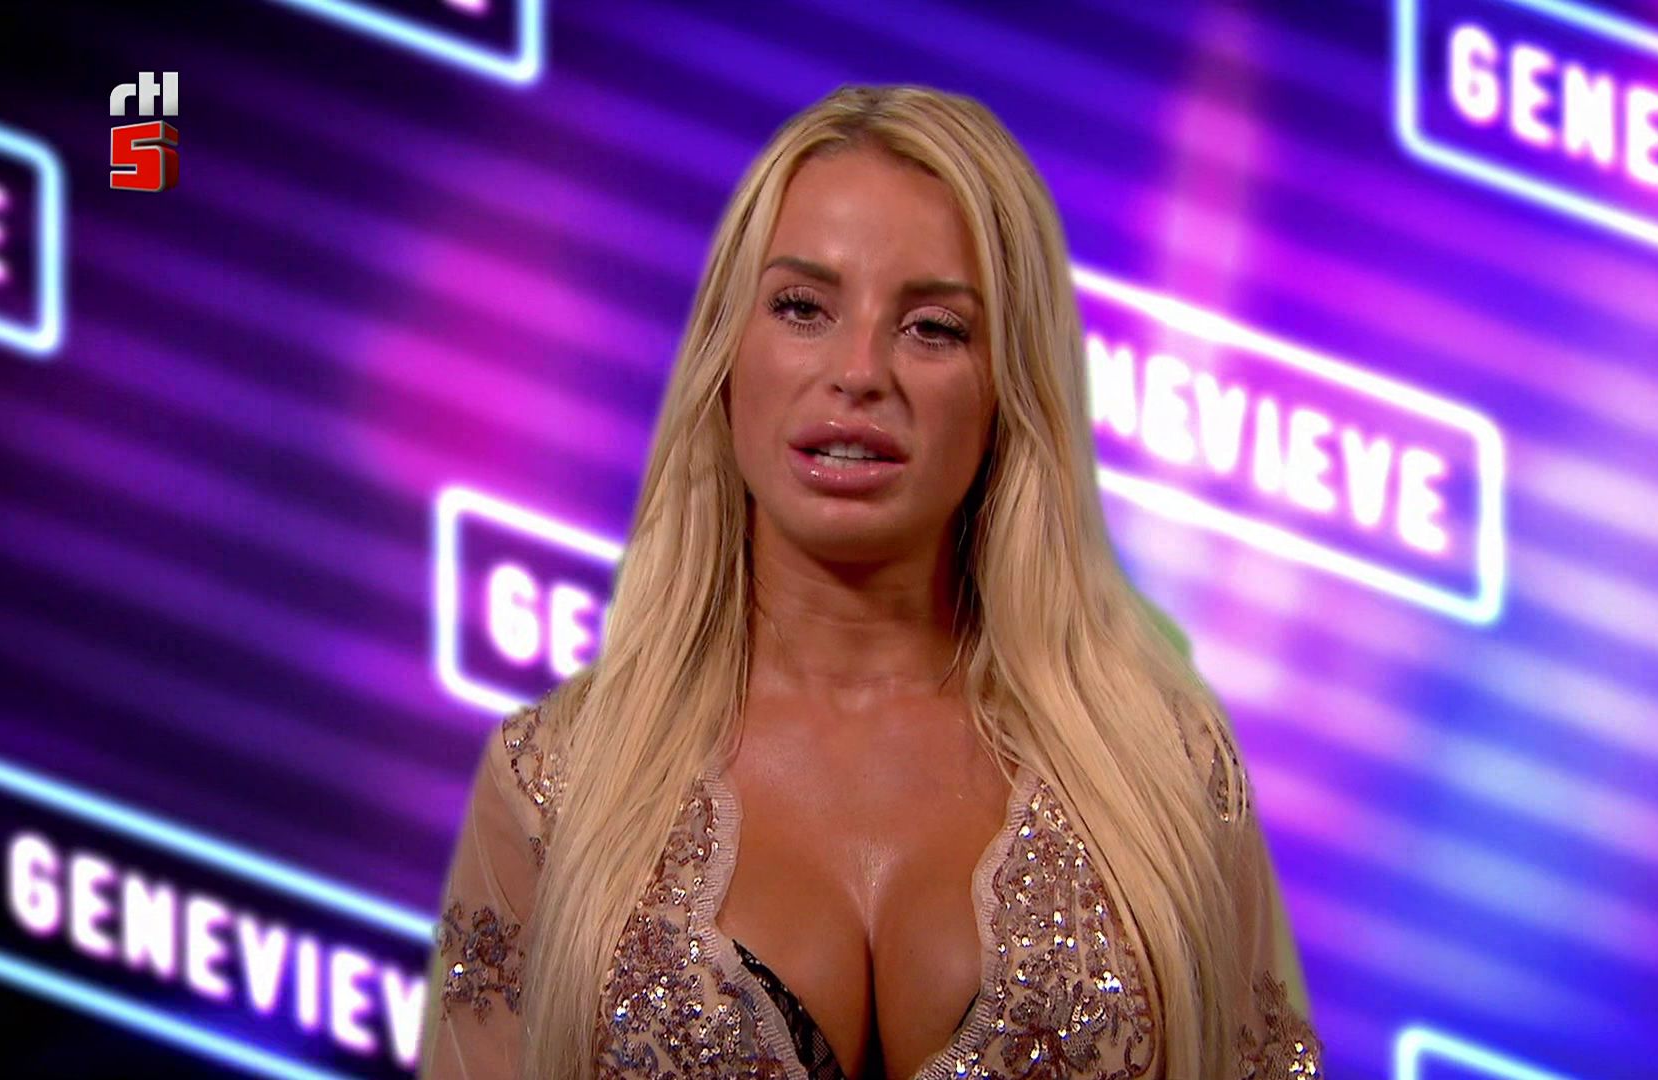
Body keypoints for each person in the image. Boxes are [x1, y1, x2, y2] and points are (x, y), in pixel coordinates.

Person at [417, 83, 1321, 1080]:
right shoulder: (554, 785)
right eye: (802, 307)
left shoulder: (1162, 769)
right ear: (726, 354)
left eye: (932, 327)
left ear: (1009, 386)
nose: (858, 372)